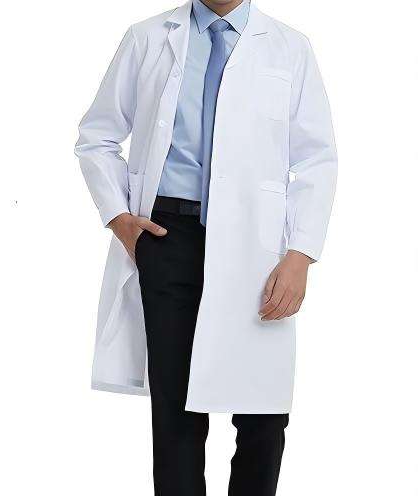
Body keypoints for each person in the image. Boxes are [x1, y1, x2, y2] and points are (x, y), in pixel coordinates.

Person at [75, 0, 337, 494]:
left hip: (258, 250)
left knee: (263, 414)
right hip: (166, 237)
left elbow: (316, 160)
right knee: (175, 410)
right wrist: (120, 219)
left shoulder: (290, 47)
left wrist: (301, 254)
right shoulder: (148, 37)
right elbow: (97, 136)